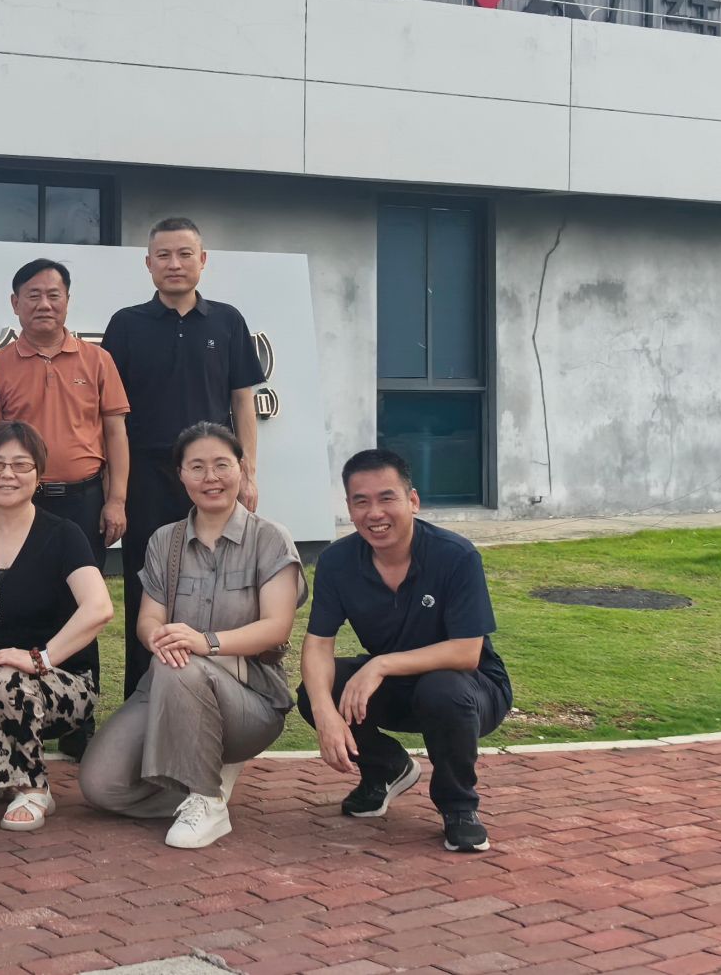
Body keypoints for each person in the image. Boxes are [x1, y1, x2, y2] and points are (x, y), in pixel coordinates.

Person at [78, 423, 303, 849]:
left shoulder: (270, 539)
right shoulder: (166, 541)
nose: (210, 477)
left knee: (180, 665)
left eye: (221, 465)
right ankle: (202, 778)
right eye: (196, 467)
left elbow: (277, 626)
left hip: (249, 696)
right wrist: (159, 637)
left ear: (241, 468)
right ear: (180, 474)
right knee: (102, 786)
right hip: (168, 684)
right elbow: (148, 620)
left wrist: (205, 643)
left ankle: (207, 801)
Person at [297, 448, 513, 855]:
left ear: (412, 501)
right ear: (349, 509)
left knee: (442, 689)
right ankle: (386, 769)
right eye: (361, 501)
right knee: (316, 691)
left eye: (387, 498)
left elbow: (467, 652)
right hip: (399, 687)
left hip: (471, 689)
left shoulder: (456, 556)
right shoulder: (337, 562)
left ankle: (459, 808)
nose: (375, 513)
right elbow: (318, 644)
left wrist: (380, 664)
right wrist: (324, 712)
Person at [101, 216, 264, 699]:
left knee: (216, 583)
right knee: (147, 584)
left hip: (211, 476)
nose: (175, 264)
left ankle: (216, 692)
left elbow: (242, 401)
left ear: (203, 260)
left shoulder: (227, 321)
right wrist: (116, 491)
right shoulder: (126, 324)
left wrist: (247, 474)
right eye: (164, 255)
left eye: (185, 254)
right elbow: (110, 415)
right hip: (147, 477)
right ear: (148, 263)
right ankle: (142, 696)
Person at [0, 421, 113, 832]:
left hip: (63, 682)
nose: (7, 474)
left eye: (20, 465)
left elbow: (99, 608)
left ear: (38, 474)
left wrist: (38, 659)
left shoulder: (64, 535)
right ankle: (13, 781)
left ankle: (31, 789)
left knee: (8, 676)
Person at [0, 256, 132, 757]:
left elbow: (115, 433)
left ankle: (78, 721)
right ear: (15, 303)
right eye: (33, 295)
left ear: (68, 301)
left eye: (54, 295)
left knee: (80, 606)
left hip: (82, 501)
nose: (44, 304)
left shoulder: (97, 360)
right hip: (19, 505)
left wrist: (116, 499)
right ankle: (18, 708)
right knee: (25, 601)